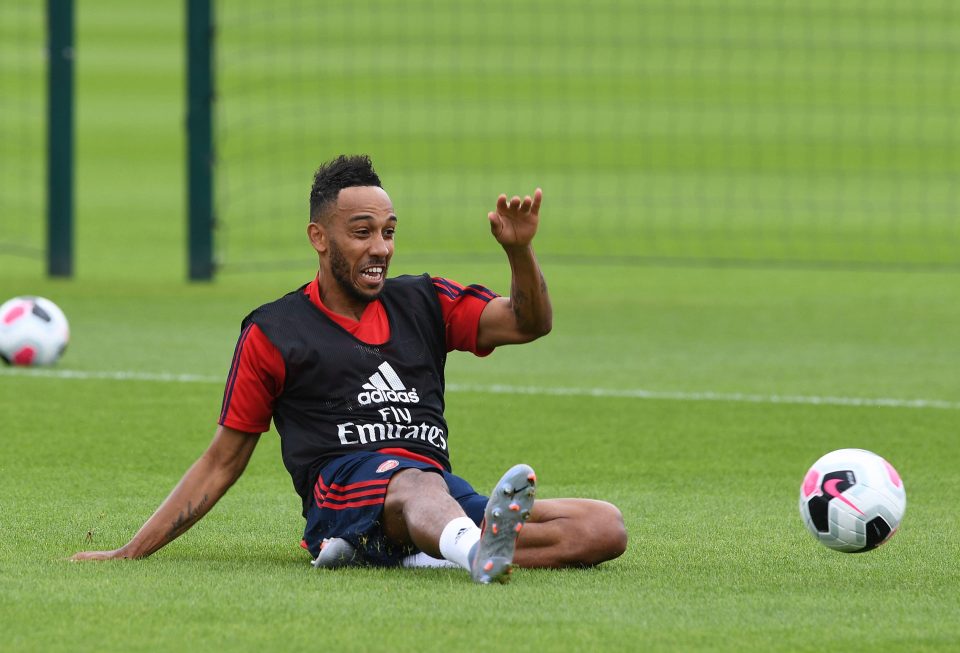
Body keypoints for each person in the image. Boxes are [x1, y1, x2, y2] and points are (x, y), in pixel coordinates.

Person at [72, 155, 627, 583]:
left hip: (436, 496)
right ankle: (467, 550)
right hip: (345, 492)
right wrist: (130, 551)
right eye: (362, 232)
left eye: (388, 231)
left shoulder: (425, 302)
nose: (380, 247)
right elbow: (222, 461)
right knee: (415, 482)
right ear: (320, 238)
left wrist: (519, 253)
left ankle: (432, 553)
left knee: (602, 527)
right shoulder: (274, 332)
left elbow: (528, 324)